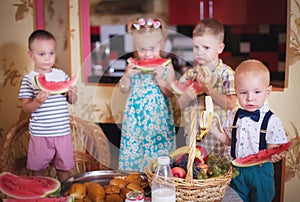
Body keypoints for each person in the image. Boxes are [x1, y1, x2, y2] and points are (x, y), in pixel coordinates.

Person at [210, 59, 287, 202]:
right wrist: (215, 131)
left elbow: (275, 149)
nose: (250, 98)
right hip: (236, 170)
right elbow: (229, 141)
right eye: (243, 92)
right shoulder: (233, 115)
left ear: (268, 91)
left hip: (261, 172)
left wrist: (276, 154)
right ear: (236, 92)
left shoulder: (272, 121)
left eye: (257, 92)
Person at [19, 30, 78, 182]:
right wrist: (37, 102)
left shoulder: (61, 75)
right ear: (30, 55)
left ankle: (65, 197)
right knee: (38, 171)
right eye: (41, 54)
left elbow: (71, 100)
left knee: (64, 169)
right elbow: (26, 107)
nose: (47, 58)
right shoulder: (29, 79)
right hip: (40, 134)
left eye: (51, 53)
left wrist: (72, 94)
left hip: (62, 132)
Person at [118, 17, 176, 172]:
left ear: (161, 45)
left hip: (158, 118)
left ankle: (159, 181)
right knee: (135, 152)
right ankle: (135, 182)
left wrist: (160, 80)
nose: (148, 54)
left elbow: (171, 93)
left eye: (152, 48)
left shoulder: (167, 65)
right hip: (135, 119)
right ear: (136, 48)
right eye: (142, 50)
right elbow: (123, 89)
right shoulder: (131, 65)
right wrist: (127, 76)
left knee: (158, 154)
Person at [176, 18, 236, 154]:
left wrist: (208, 90)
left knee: (220, 173)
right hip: (194, 139)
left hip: (219, 139)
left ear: (220, 48)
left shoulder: (226, 73)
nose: (199, 52)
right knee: (196, 171)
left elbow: (231, 104)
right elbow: (178, 105)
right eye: (196, 47)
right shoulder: (190, 74)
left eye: (206, 48)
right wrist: (185, 97)